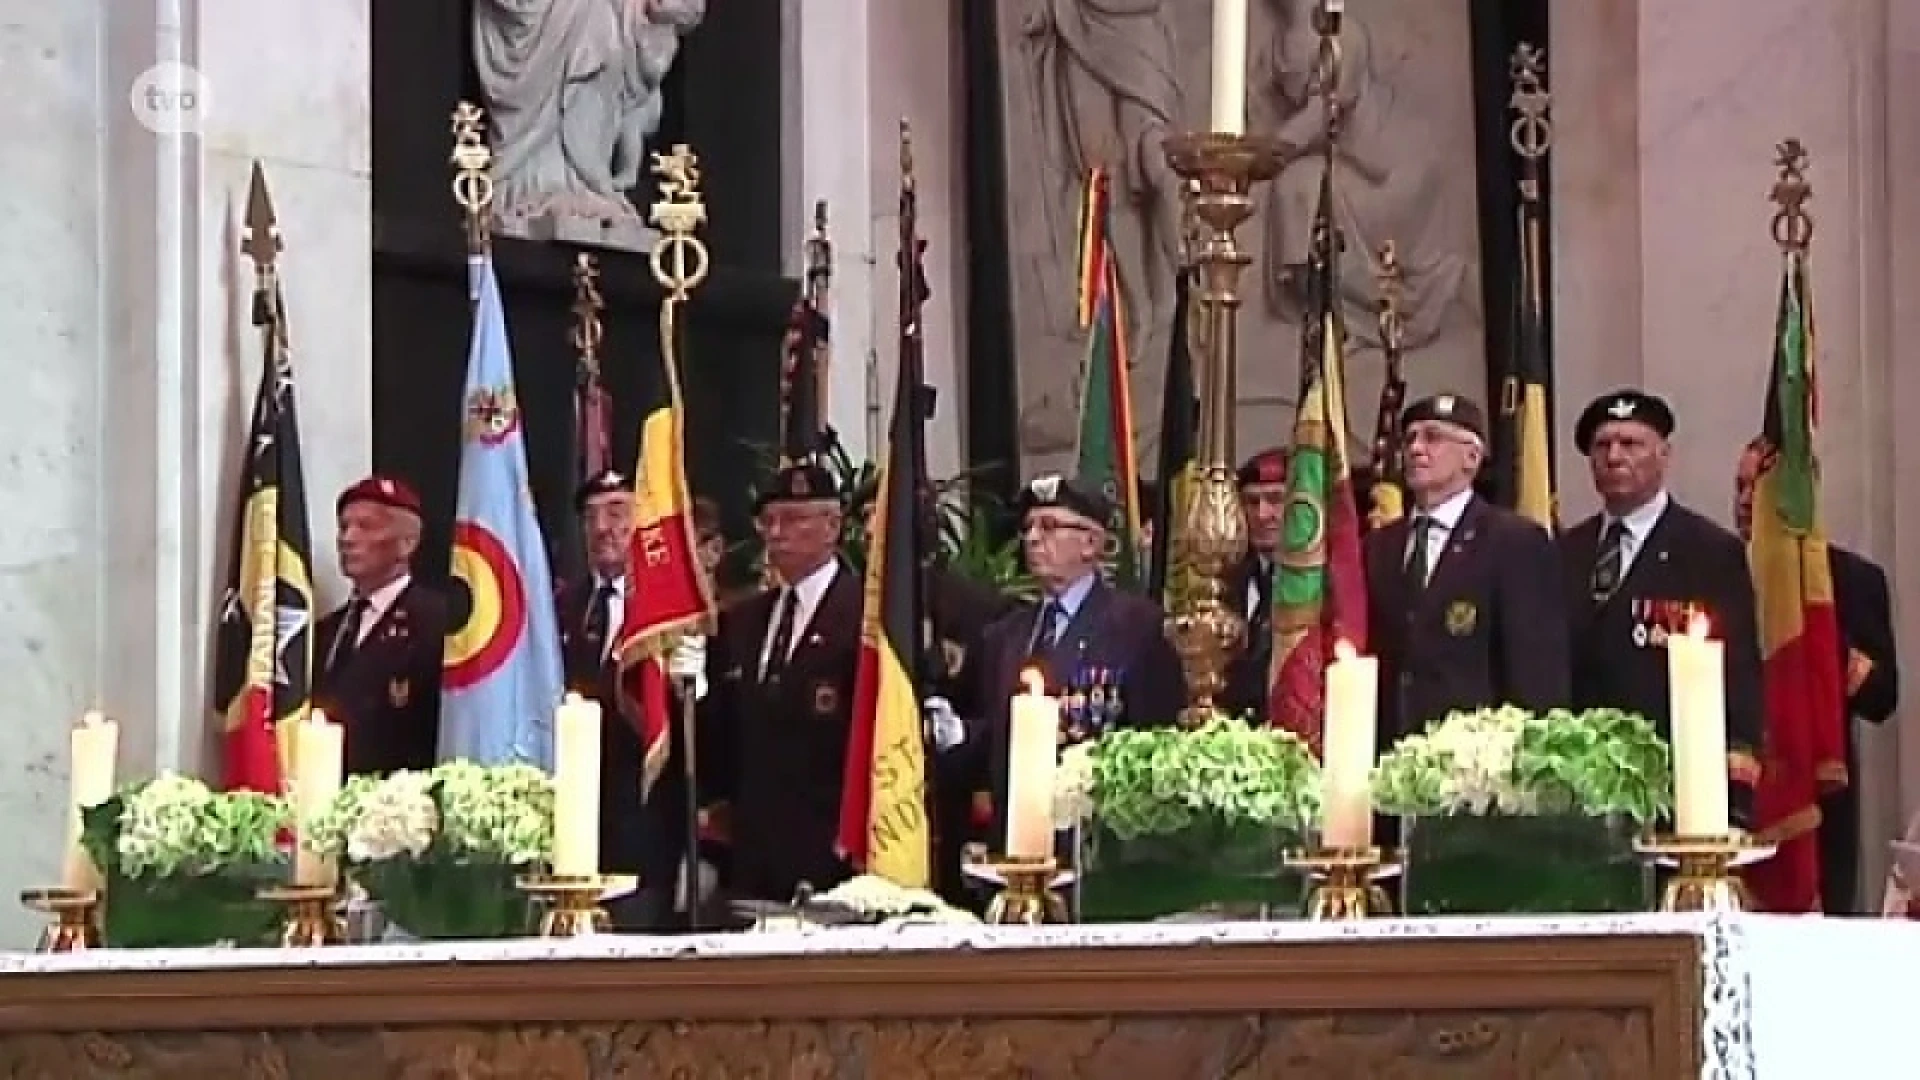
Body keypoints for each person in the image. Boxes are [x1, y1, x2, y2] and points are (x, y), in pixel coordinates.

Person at [1559, 390, 1763, 823]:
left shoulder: (1708, 551)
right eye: (1602, 446)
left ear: (1663, 455)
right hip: (1577, 793)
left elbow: (1739, 674)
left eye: (1630, 444)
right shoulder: (1563, 552)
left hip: (1673, 789)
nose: (1614, 456)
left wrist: (1735, 792)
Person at [1735, 438, 1900, 911]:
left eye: (1758, 489)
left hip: (1819, 804)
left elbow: (1884, 698)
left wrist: (1824, 652)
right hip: (1733, 797)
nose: (1746, 502)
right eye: (1740, 487)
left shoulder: (1851, 580)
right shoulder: (1716, 563)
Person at [976, 474, 1186, 842]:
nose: (1033, 539)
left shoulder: (1137, 628)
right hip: (1018, 844)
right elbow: (992, 741)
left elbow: (1157, 738)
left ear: (1091, 543)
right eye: (1028, 528)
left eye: (1050, 526)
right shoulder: (1006, 635)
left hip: (1099, 847)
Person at [850, 477, 1020, 902]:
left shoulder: (975, 606)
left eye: (881, 516)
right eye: (867, 518)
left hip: (952, 800)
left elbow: (993, 704)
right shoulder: (851, 606)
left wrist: (959, 730)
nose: (872, 531)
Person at [698, 462, 861, 903]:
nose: (776, 533)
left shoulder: (864, 616)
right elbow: (724, 729)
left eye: (792, 519)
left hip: (832, 850)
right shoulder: (744, 621)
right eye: (767, 521)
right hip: (754, 853)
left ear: (832, 526)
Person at [1363, 394, 1568, 742]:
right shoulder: (1380, 545)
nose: (1415, 449)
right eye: (1409, 438)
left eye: (1433, 437)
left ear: (1472, 458)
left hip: (1475, 764)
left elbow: (1535, 671)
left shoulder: (1513, 542)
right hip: (1391, 756)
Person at [555, 469, 706, 929]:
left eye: (617, 512)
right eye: (591, 517)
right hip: (571, 833)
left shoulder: (675, 611)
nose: (603, 528)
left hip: (647, 831)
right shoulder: (562, 606)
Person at [314, 476, 447, 776]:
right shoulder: (327, 630)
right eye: (344, 526)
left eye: (366, 526)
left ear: (407, 543)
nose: (347, 538)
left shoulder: (436, 624)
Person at [1222, 448, 1289, 720]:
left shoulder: (1323, 585)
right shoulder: (1226, 581)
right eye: (1252, 502)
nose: (1263, 514)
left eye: (1275, 500)